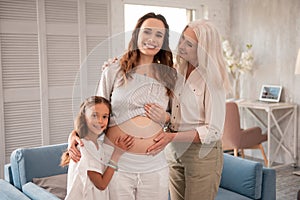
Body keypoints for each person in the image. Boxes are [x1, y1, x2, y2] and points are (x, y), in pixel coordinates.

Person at [68, 12, 176, 200]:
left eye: (159, 35)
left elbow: (178, 119)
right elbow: (93, 112)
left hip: (155, 165)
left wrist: (165, 118)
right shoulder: (114, 70)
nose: (152, 39)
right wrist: (73, 135)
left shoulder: (169, 77)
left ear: (164, 41)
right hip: (117, 163)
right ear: (136, 35)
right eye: (147, 32)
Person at [145, 19, 231, 200]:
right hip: (174, 150)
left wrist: (171, 136)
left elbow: (214, 131)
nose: (181, 46)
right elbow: (177, 114)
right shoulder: (178, 71)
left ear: (203, 49)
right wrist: (166, 118)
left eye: (189, 44)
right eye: (182, 39)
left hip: (201, 155)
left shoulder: (213, 80)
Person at [61, 96, 134, 200]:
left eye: (105, 117)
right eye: (94, 116)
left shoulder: (98, 145)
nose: (100, 121)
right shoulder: (85, 146)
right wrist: (117, 154)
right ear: (84, 118)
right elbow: (101, 184)